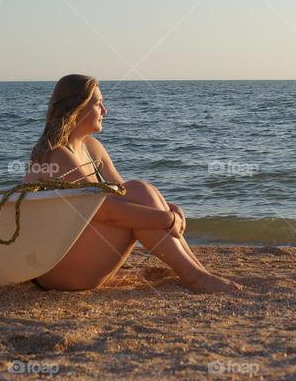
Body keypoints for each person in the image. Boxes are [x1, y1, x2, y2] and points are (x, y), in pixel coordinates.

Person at [24, 74, 244, 293]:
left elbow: (124, 194)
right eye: (98, 104)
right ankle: (193, 276)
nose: (105, 111)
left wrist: (170, 208)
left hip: (79, 262)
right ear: (77, 107)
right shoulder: (57, 155)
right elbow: (104, 212)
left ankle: (197, 273)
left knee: (139, 190)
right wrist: (168, 219)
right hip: (57, 273)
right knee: (139, 194)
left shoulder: (91, 147)